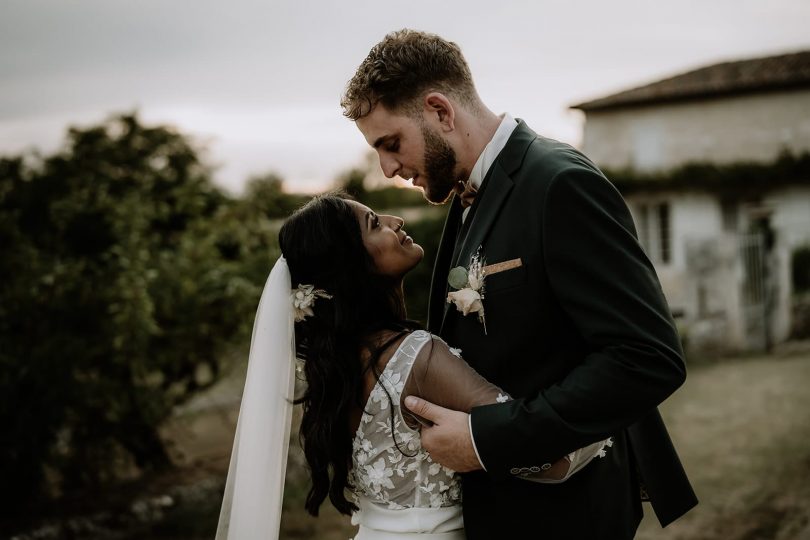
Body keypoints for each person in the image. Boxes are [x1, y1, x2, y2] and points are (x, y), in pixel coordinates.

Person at [341, 29, 698, 539]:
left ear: (441, 111)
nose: (388, 168)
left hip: (566, 514)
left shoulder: (558, 183)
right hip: (508, 511)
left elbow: (646, 357)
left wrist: (486, 439)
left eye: (391, 144)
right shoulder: (467, 197)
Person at [215, 194, 612, 540]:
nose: (395, 221)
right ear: (353, 264)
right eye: (375, 224)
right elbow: (545, 452)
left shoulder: (333, 367)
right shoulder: (415, 356)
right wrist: (610, 403)